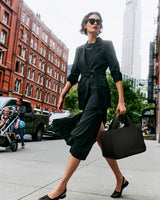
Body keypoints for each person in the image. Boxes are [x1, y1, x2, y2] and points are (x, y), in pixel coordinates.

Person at [38, 11, 128, 200]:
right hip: (85, 96)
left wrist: (121, 100)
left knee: (80, 137)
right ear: (85, 25)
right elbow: (73, 75)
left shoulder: (107, 46)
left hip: (99, 95)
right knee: (102, 140)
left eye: (98, 21)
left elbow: (116, 71)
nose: (96, 23)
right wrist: (62, 93)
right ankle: (121, 179)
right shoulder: (79, 50)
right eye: (92, 21)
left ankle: (61, 187)